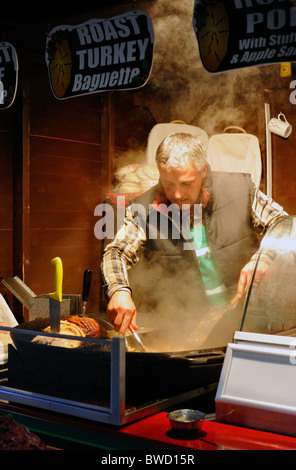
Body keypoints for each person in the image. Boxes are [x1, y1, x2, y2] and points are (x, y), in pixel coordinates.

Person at [101, 133, 287, 336]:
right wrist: (119, 290)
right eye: (168, 184)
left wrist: (264, 258)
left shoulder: (239, 189)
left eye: (186, 183)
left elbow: (283, 224)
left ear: (203, 170)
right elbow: (116, 251)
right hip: (185, 326)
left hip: (245, 317)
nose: (177, 194)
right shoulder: (144, 208)